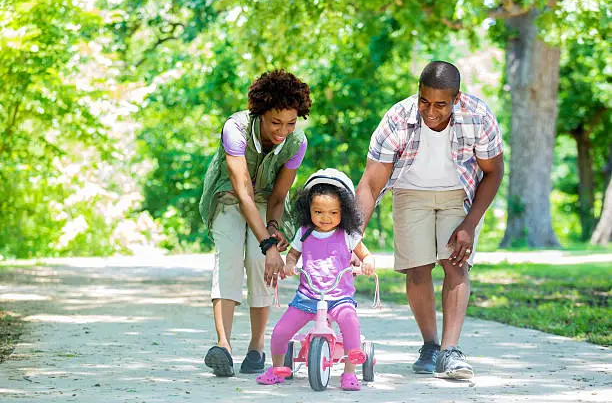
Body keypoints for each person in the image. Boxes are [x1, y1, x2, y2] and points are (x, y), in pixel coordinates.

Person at [356, 61, 504, 379]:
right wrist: (352, 236)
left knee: (456, 264)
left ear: (456, 99)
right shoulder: (397, 119)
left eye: (440, 104)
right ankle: (431, 346)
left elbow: (493, 172)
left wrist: (470, 224)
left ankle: (451, 351)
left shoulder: (478, 116)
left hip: (456, 193)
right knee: (418, 268)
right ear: (418, 93)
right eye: (424, 101)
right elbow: (370, 182)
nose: (430, 111)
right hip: (410, 192)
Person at [198, 69, 311, 377]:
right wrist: (268, 245)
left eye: (290, 123)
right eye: (275, 122)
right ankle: (223, 346)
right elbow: (243, 193)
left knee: (263, 263)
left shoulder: (297, 142)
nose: (283, 131)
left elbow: (276, 198)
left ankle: (257, 347)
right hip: (230, 196)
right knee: (231, 256)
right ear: (259, 113)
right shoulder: (235, 128)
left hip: (264, 200)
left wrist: (273, 232)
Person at [255, 169, 375, 391]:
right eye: (318, 211)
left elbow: (365, 254)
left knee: (351, 323)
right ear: (307, 209)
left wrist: (368, 262)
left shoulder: (347, 234)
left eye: (333, 212)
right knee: (280, 331)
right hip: (308, 296)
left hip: (339, 297)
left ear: (344, 212)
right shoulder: (305, 232)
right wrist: (290, 264)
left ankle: (350, 372)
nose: (325, 218)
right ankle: (278, 369)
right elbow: (292, 255)